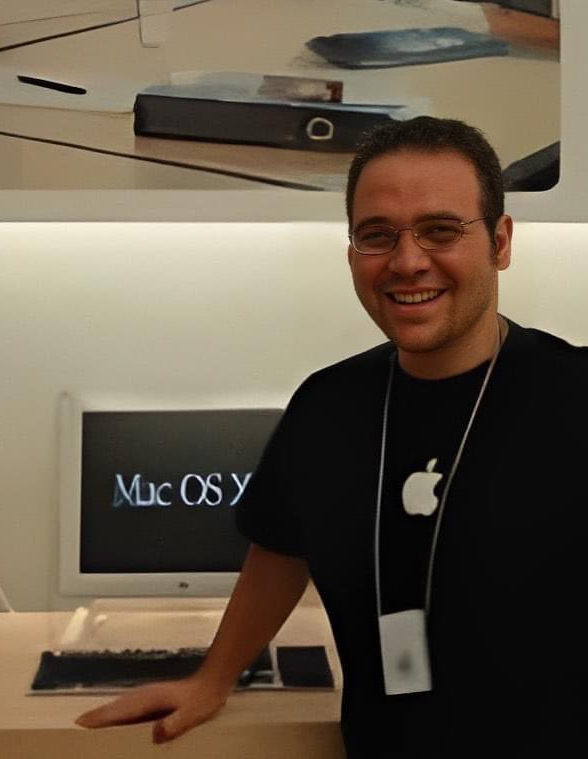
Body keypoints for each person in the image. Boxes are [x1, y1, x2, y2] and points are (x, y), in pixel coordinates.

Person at [76, 117, 585, 756]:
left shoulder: (572, 395)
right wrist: (214, 676)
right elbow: (282, 549)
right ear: (352, 252)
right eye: (377, 236)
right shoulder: (326, 405)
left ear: (501, 242)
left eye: (440, 230)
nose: (406, 261)